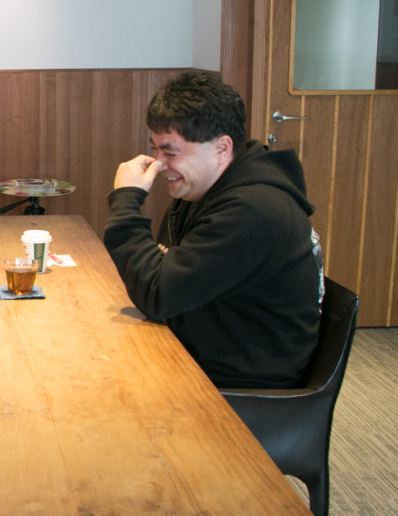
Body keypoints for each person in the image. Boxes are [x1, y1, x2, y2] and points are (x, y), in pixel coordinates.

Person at [102, 70, 323, 388]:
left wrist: (126, 200)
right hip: (202, 346)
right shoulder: (202, 189)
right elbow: (163, 273)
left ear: (222, 147)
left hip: (240, 385)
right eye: (155, 149)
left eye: (170, 152)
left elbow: (157, 293)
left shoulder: (253, 211)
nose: (158, 164)